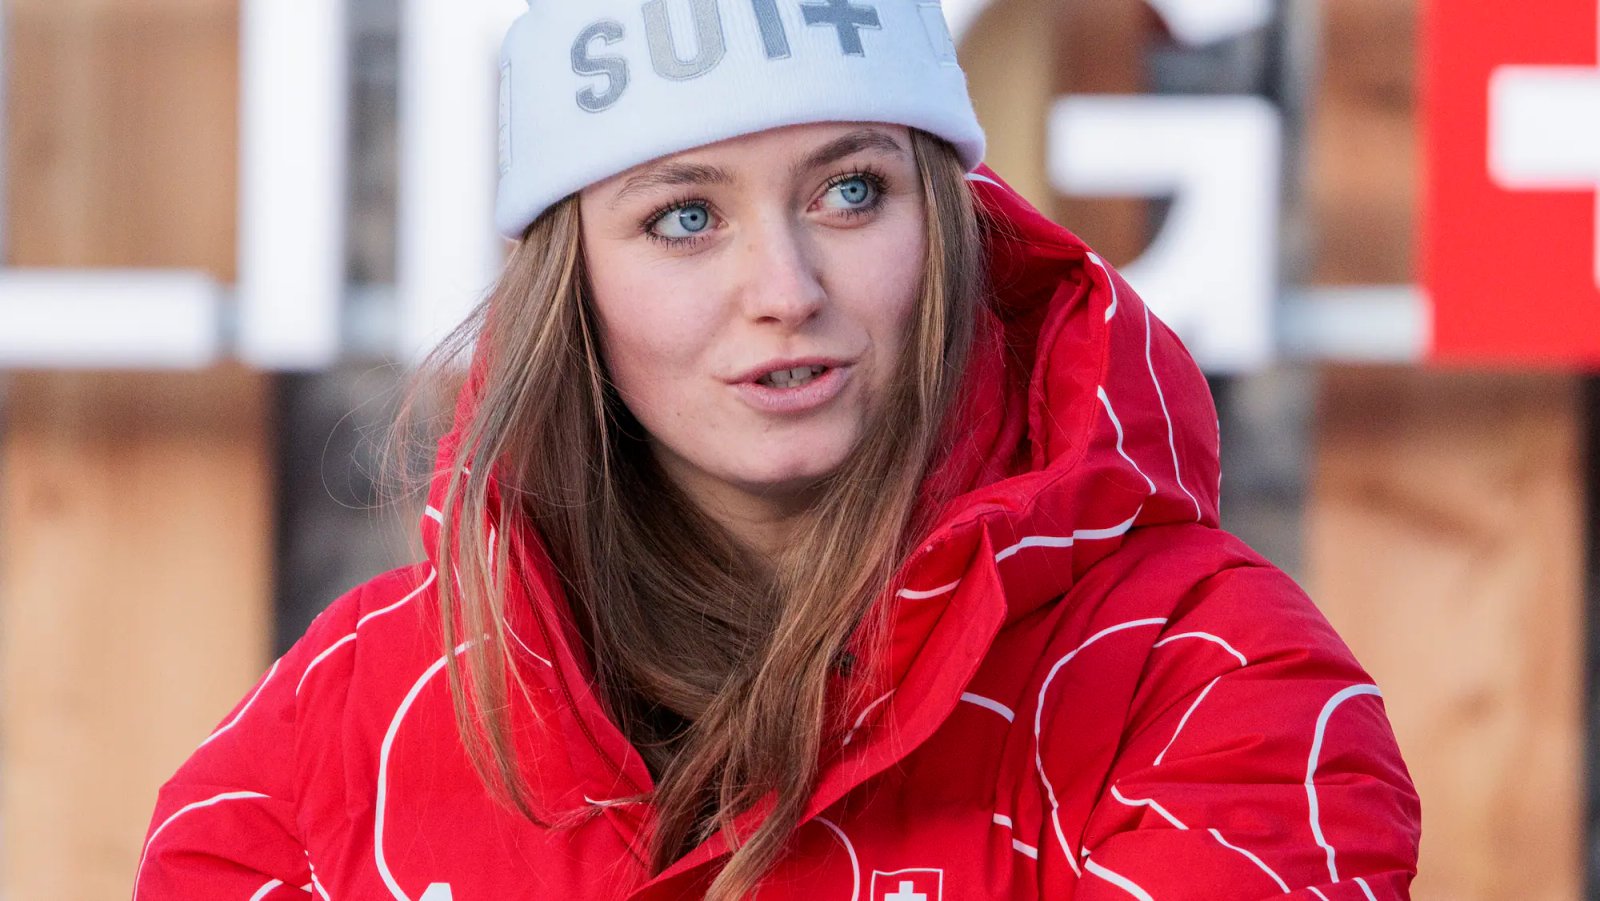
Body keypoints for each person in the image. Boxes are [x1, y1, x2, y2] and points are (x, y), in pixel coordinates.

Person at [135, 2, 1421, 898]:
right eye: (684, 216)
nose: (785, 289)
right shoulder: (338, 732)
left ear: (951, 224)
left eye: (850, 191)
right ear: (572, 283)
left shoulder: (1199, 673)